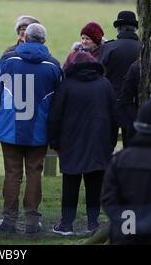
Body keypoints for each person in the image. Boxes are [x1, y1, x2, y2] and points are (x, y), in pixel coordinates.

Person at [0, 24, 62, 233]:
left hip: (11, 127)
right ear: (43, 40)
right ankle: (32, 221)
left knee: (12, 173)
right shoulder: (53, 65)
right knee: (34, 173)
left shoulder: (8, 60)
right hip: (39, 129)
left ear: (25, 38)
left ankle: (8, 219)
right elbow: (57, 99)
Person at [49, 52, 117, 236]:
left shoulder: (67, 85)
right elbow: (113, 116)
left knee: (70, 185)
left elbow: (55, 116)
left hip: (71, 143)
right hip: (98, 143)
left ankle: (66, 224)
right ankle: (93, 223)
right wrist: (110, 143)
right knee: (94, 186)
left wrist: (54, 142)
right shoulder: (105, 84)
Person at [101, 94, 151, 245]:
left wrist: (130, 224)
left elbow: (109, 199)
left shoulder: (119, 160)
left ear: (137, 127)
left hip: (125, 233)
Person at [101, 11, 141, 146]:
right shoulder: (143, 48)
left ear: (118, 28)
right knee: (132, 149)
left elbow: (101, 75)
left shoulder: (108, 48)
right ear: (134, 28)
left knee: (106, 148)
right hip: (135, 106)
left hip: (110, 104)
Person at [119, 59, 140, 143]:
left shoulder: (136, 67)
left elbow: (125, 98)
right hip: (137, 122)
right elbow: (125, 99)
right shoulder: (136, 67)